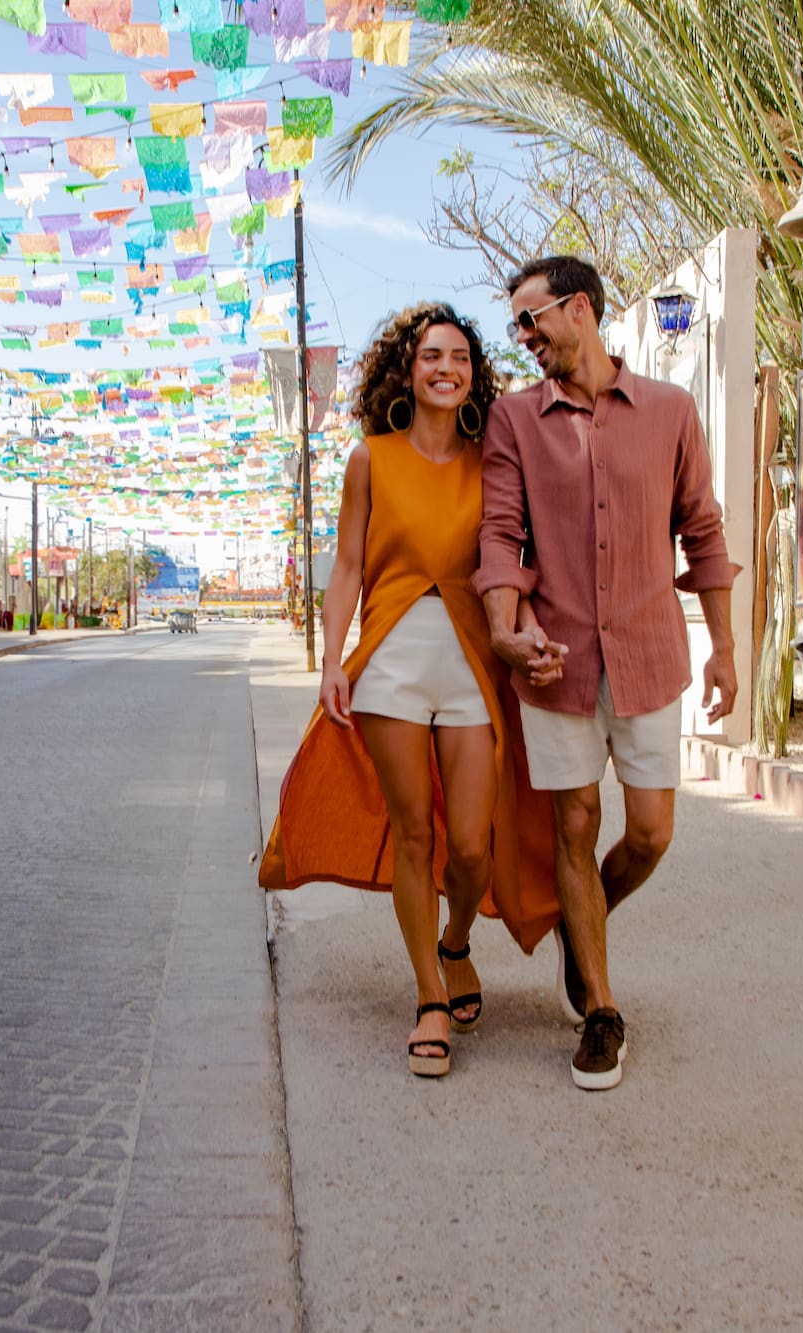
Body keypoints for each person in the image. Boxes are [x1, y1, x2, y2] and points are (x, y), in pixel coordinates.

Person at [261, 303, 558, 1080]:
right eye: (432, 355)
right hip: (390, 659)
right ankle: (429, 991)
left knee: (469, 842)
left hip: (470, 659)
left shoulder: (492, 458)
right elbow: (350, 570)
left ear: (473, 374)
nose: (446, 368)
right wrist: (334, 658)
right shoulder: (371, 458)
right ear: (408, 366)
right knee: (414, 838)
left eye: (460, 357)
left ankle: (457, 937)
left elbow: (513, 554)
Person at [476, 255, 740, 1092]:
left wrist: (726, 648)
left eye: (531, 319)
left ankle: (577, 924)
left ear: (579, 309)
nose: (522, 338)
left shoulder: (670, 410)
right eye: (516, 324)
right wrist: (507, 633)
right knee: (575, 826)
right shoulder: (515, 420)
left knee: (653, 832)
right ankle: (599, 1008)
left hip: (650, 654)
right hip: (554, 661)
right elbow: (500, 538)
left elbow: (702, 531)